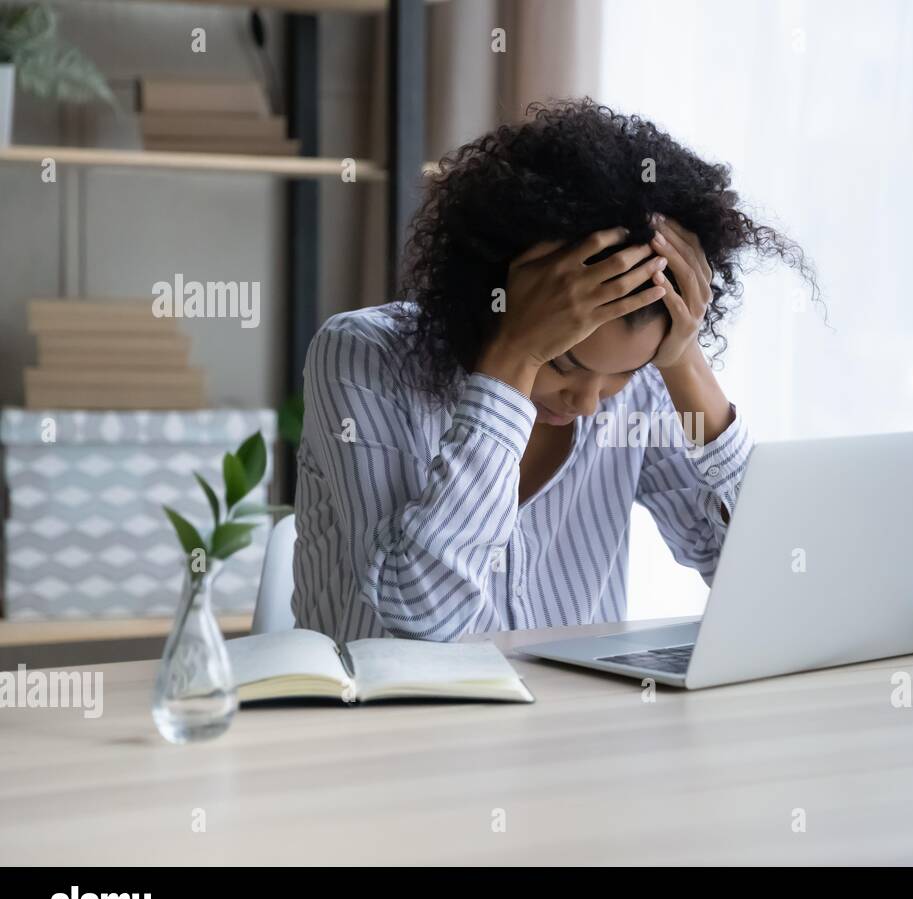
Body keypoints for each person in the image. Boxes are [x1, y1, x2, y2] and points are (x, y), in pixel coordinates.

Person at [292, 98, 817, 641]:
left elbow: (774, 585)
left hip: (575, 724)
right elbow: (423, 618)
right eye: (565, 362)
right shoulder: (363, 358)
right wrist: (514, 361)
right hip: (390, 723)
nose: (589, 402)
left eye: (624, 373)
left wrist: (684, 365)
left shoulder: (642, 384)